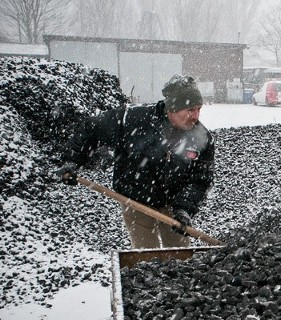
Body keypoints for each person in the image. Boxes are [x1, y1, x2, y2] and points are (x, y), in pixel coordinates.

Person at [57, 74, 215, 249]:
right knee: (147, 257)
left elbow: (200, 179)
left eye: (198, 109)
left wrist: (184, 208)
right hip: (137, 201)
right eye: (190, 110)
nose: (196, 116)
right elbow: (92, 128)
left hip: (173, 203)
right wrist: (72, 160)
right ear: (172, 109)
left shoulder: (201, 138)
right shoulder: (133, 120)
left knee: (180, 255)